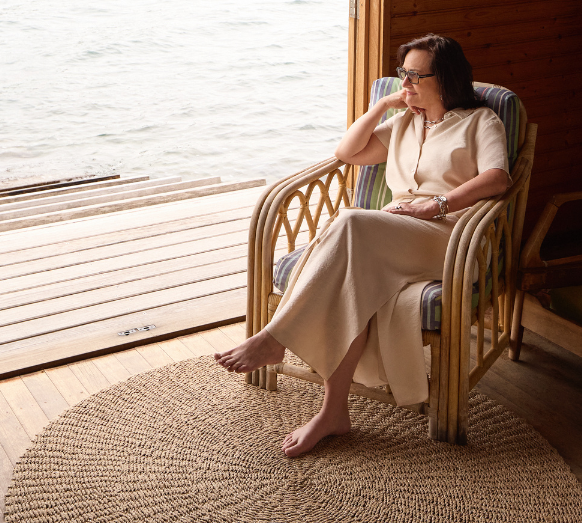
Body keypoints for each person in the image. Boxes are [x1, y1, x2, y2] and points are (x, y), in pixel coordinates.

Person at [215, 34, 511, 457]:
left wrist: (435, 205)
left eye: (415, 75)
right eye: (402, 73)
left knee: (350, 221)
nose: (405, 83)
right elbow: (348, 152)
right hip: (392, 232)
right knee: (351, 279)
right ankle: (333, 412)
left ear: (445, 78)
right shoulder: (405, 122)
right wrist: (383, 105)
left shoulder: (480, 122)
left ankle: (276, 336)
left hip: (452, 238)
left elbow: (498, 178)